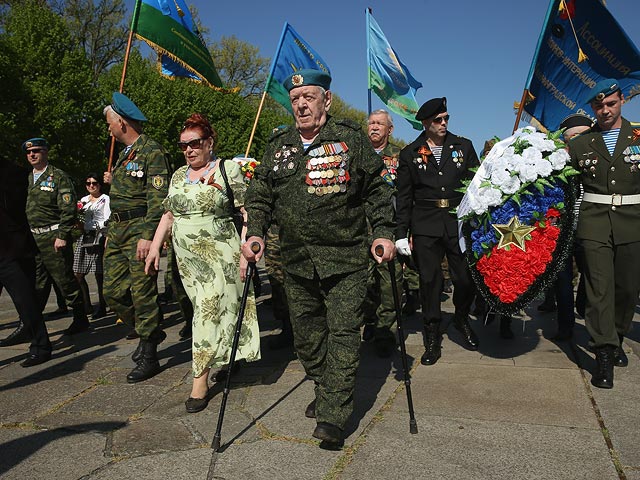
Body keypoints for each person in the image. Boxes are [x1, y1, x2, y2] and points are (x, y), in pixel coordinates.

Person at [242, 69, 396, 448]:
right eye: (295, 99)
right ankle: (327, 387)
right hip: (296, 260)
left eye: (309, 97)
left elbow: (376, 189)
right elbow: (260, 192)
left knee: (343, 333)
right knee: (309, 338)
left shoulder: (349, 138)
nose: (301, 104)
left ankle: (333, 416)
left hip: (346, 257)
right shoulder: (278, 144)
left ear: (326, 100)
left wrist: (382, 233)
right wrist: (256, 232)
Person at [145, 113, 260, 413]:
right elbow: (168, 215)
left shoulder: (227, 169)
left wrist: (247, 245)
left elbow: (247, 211)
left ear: (209, 142)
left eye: (195, 143)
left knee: (206, 314)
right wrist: (156, 247)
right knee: (206, 311)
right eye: (183, 145)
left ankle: (200, 381)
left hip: (221, 254)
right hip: (187, 259)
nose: (189, 150)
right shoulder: (178, 176)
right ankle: (224, 358)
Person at [395, 97, 480, 366]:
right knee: (430, 282)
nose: (443, 124)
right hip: (426, 223)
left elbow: (477, 186)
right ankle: (431, 334)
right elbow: (404, 196)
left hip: (458, 222)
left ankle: (461, 317)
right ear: (425, 123)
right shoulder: (410, 153)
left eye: (446, 119)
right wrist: (400, 233)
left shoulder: (463, 147)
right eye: (437, 120)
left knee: (465, 278)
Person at [568, 79, 640, 389]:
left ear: (622, 100)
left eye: (610, 103)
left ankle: (618, 334)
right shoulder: (581, 144)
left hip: (633, 221)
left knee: (627, 289)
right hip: (594, 222)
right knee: (599, 290)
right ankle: (604, 354)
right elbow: (568, 186)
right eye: (599, 106)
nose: (605, 110)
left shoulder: (638, 135)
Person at [103, 92, 171, 384]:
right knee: (112, 292)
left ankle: (149, 352)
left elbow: (159, 198)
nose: (108, 129)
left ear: (122, 122)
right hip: (117, 231)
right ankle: (150, 330)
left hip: (139, 230)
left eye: (109, 123)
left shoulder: (151, 151)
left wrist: (148, 236)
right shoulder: (123, 155)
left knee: (143, 293)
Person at [23, 137, 89, 335]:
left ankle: (80, 317)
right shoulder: (27, 178)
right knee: (37, 283)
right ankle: (31, 323)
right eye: (29, 152)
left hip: (53, 236)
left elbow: (68, 208)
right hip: (34, 238)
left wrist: (62, 235)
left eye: (36, 150)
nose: (32, 155)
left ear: (45, 152)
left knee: (65, 280)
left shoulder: (57, 176)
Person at [0, 156, 52, 366]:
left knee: (26, 301)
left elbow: (21, 208)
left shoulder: (15, 173)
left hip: (13, 248)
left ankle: (41, 346)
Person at [548, 113, 594, 341]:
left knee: (593, 274)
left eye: (584, 135)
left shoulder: (597, 158)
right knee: (562, 279)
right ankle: (565, 326)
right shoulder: (555, 163)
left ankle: (584, 305)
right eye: (574, 136)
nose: (579, 140)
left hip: (591, 227)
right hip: (562, 229)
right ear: (565, 138)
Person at [362, 109, 403, 357]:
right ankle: (370, 321)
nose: (374, 127)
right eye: (371, 123)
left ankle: (386, 330)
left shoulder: (400, 155)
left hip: (387, 227)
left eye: (380, 124)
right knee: (364, 282)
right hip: (359, 227)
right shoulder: (356, 152)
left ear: (390, 129)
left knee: (390, 283)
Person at [73, 173, 110, 320]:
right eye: (88, 183)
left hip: (99, 235)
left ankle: (102, 306)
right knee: (78, 273)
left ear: (99, 185)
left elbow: (107, 218)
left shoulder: (105, 199)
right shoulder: (83, 201)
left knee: (99, 274)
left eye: (94, 183)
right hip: (85, 236)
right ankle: (87, 305)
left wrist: (95, 227)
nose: (91, 186)